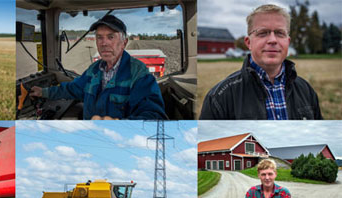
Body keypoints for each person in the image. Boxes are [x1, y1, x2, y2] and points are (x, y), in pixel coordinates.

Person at [29, 15, 166, 120]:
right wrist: (44, 92)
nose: (104, 43)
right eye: (99, 37)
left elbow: (154, 115)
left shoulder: (138, 74)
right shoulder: (94, 70)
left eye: (110, 37)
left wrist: (121, 125)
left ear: (124, 42)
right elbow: (72, 89)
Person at [200, 4, 322, 120]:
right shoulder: (219, 97)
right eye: (263, 33)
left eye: (280, 33)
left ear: (288, 41)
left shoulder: (306, 90)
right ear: (248, 42)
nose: (273, 40)